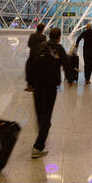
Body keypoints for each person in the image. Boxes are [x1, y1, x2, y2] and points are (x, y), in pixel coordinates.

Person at [27, 27, 72, 159]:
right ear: (59, 37)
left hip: (37, 85)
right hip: (50, 86)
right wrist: (70, 78)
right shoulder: (59, 48)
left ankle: (43, 128)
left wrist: (29, 82)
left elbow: (29, 64)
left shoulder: (38, 47)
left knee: (40, 112)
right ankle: (38, 146)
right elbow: (66, 64)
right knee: (47, 114)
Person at [25, 23, 47, 91]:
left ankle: (30, 85)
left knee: (29, 70)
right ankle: (36, 85)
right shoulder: (43, 37)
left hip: (31, 55)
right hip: (39, 57)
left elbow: (29, 45)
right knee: (37, 71)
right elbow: (44, 47)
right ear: (42, 29)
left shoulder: (32, 35)